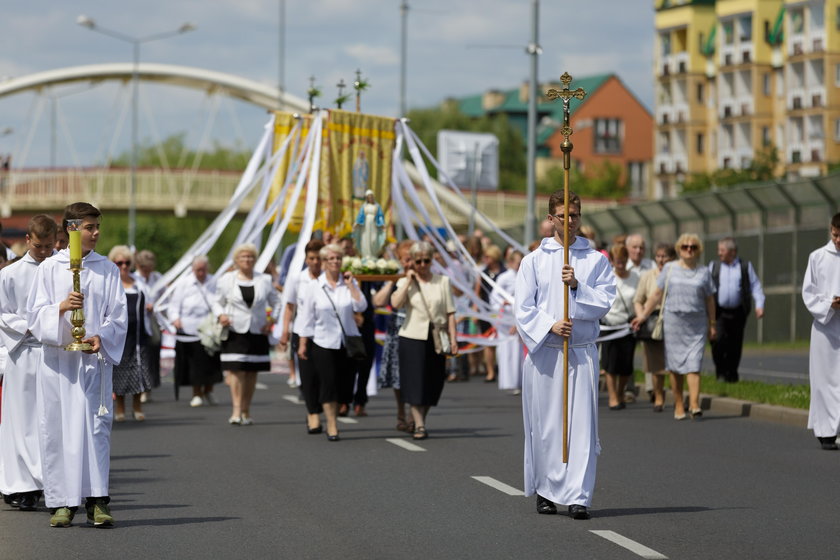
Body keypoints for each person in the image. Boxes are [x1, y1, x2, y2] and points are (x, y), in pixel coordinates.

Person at [515, 191, 615, 520]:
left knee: (581, 427)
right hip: (546, 353)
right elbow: (523, 308)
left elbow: (605, 302)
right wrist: (550, 325)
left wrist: (577, 287)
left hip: (581, 353)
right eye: (562, 215)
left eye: (574, 215)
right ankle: (545, 490)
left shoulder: (596, 260)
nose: (569, 221)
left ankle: (578, 495)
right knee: (547, 425)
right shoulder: (534, 261)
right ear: (550, 219)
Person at [27, 202, 127, 528]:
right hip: (59, 363)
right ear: (71, 229)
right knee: (57, 429)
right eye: (89, 227)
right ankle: (62, 502)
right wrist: (60, 307)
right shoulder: (49, 269)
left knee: (96, 430)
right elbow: (34, 316)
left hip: (93, 362)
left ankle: (97, 500)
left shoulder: (107, 269)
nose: (96, 233)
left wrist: (101, 336)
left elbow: (118, 316)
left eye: (98, 227)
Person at [0, 215, 57, 511]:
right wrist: (32, 327)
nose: (46, 251)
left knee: (51, 420)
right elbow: (3, 314)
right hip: (23, 350)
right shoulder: (10, 274)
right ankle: (21, 485)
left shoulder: (63, 269)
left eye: (50, 245)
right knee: (20, 421)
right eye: (40, 246)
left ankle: (55, 482)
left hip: (55, 352)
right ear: (28, 239)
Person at [633, 234, 716, 421]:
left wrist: (712, 323)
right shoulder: (669, 269)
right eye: (685, 246)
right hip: (674, 323)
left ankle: (694, 404)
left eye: (693, 247)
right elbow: (656, 294)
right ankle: (679, 403)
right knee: (675, 367)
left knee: (694, 365)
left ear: (698, 250)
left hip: (697, 325)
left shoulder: (704, 272)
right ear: (679, 249)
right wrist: (643, 316)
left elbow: (710, 299)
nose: (689, 250)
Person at [297, 243, 367, 441]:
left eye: (338, 258)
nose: (335, 262)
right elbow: (307, 318)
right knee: (328, 384)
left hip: (347, 343)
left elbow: (361, 305)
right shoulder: (314, 287)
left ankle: (335, 415)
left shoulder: (348, 285)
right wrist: (303, 343)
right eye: (331, 259)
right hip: (323, 341)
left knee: (345, 386)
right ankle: (332, 424)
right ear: (324, 262)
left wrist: (352, 285)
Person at [390, 241, 459, 440]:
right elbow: (395, 303)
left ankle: (419, 418)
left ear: (431, 261)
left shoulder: (442, 281)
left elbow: (451, 313)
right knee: (414, 382)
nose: (422, 265)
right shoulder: (406, 281)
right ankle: (419, 424)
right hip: (412, 336)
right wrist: (408, 281)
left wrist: (454, 339)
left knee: (433, 381)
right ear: (412, 261)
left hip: (437, 337)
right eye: (418, 261)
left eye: (426, 260)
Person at [213, 243, 281, 426]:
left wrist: (272, 321)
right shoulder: (227, 279)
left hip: (257, 330)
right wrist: (221, 315)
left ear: (255, 259)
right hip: (235, 330)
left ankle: (246, 409)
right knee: (236, 370)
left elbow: (277, 302)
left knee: (251, 372)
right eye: (243, 257)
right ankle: (236, 409)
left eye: (250, 257)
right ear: (236, 260)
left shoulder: (264, 280)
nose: (247, 260)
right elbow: (216, 302)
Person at [802, 212, 840, 450]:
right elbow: (808, 293)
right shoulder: (817, 257)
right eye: (835, 235)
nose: (838, 241)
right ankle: (826, 431)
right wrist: (829, 304)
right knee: (824, 380)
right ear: (830, 231)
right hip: (825, 326)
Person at [279, 239, 325, 433]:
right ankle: (312, 413)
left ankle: (321, 406)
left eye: (319, 258)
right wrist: (284, 331)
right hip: (302, 331)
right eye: (311, 258)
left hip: (326, 332)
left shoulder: (330, 278)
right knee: (307, 374)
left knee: (325, 375)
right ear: (306, 259)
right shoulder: (297, 279)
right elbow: (290, 306)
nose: (315, 262)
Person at [709, 237, 765, 382]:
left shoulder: (744, 266)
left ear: (732, 252)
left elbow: (756, 286)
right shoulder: (714, 266)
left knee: (735, 344)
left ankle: (732, 374)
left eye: (722, 250)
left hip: (738, 312)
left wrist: (759, 305)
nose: (719, 253)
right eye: (718, 250)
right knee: (718, 341)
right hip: (719, 312)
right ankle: (720, 372)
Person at [168, 256, 222, 407]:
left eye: (204, 270)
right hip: (190, 329)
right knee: (195, 364)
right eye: (198, 270)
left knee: (212, 363)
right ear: (193, 270)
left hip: (210, 329)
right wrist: (175, 319)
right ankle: (196, 393)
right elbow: (174, 306)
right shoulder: (185, 283)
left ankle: (209, 390)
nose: (201, 273)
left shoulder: (213, 281)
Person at [373, 239, 415, 431]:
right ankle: (400, 410)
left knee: (415, 373)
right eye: (406, 259)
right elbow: (378, 301)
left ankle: (414, 413)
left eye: (412, 259)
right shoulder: (395, 278)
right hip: (397, 326)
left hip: (417, 326)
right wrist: (392, 282)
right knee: (398, 373)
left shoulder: (423, 276)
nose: (410, 264)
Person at [109, 245, 154, 422]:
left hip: (138, 335)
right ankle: (120, 407)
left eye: (127, 262)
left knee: (140, 371)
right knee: (119, 372)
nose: (124, 266)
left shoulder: (139, 284)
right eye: (119, 263)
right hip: (119, 337)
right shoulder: (111, 283)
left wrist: (150, 308)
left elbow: (150, 302)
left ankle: (137, 406)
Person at [632, 243, 676, 411]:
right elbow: (638, 299)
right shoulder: (648, 276)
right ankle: (658, 395)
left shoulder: (677, 274)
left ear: (672, 258)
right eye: (658, 256)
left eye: (665, 256)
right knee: (655, 364)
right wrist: (640, 316)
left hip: (673, 320)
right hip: (653, 322)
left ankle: (678, 396)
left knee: (675, 362)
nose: (661, 260)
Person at [599, 244, 639, 410]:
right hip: (609, 325)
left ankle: (620, 391)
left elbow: (639, 298)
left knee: (625, 365)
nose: (620, 265)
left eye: (623, 261)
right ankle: (613, 397)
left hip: (627, 326)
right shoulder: (607, 277)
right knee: (610, 364)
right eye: (617, 261)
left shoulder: (635, 277)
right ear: (612, 261)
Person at [491, 249, 523, 393]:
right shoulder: (504, 277)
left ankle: (518, 381)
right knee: (506, 350)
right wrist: (501, 303)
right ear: (510, 262)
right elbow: (494, 296)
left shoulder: (524, 276)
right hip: (506, 318)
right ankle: (508, 381)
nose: (518, 265)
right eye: (516, 262)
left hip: (519, 316)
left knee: (518, 351)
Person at [133, 250, 163, 399]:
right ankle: (141, 387)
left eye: (150, 268)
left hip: (153, 321)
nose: (147, 271)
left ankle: (149, 386)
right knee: (141, 355)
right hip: (138, 322)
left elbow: (165, 298)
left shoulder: (158, 278)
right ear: (138, 265)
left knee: (153, 354)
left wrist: (155, 307)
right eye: (144, 268)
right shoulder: (133, 279)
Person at [475, 244, 506, 383]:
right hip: (486, 310)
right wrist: (476, 309)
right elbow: (477, 291)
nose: (485, 259)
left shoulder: (504, 272)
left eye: (487, 256)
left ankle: (505, 371)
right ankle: (490, 371)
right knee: (489, 342)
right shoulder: (483, 273)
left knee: (504, 341)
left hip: (503, 312)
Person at [353, 189, 385, 258]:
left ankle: (373, 254)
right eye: (369, 197)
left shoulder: (377, 206)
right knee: (365, 239)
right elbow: (360, 216)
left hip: (374, 224)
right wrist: (357, 223)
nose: (370, 198)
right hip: (366, 225)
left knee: (373, 239)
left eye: (371, 197)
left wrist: (382, 223)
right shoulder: (364, 206)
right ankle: (366, 254)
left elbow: (380, 216)